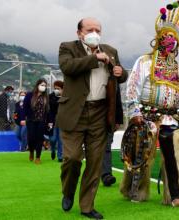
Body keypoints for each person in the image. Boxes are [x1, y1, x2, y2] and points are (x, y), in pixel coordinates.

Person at [123, 1, 179, 208]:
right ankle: (135, 190)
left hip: (170, 117)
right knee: (142, 153)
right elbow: (132, 86)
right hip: (145, 115)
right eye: (166, 37)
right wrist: (134, 112)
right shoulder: (144, 61)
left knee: (174, 156)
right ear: (158, 39)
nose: (170, 41)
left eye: (174, 38)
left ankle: (176, 195)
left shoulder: (177, 68)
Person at [58, 17, 127, 219]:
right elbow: (68, 67)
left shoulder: (111, 50)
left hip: (100, 112)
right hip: (74, 113)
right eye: (90, 29)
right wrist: (95, 59)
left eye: (98, 29)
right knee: (71, 158)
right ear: (79, 32)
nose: (94, 33)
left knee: (95, 162)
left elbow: (121, 76)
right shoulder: (67, 47)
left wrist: (120, 72)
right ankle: (68, 190)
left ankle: (87, 206)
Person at [23, 79, 50, 164]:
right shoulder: (30, 95)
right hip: (31, 120)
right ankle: (31, 151)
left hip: (41, 120)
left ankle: (38, 157)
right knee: (31, 138)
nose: (43, 87)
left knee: (39, 138)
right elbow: (25, 106)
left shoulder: (46, 97)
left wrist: (48, 121)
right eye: (42, 85)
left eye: (45, 85)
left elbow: (47, 110)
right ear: (37, 85)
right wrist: (25, 117)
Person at [101, 85, 123, 187]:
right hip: (90, 117)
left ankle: (106, 175)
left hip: (108, 119)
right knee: (92, 149)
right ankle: (91, 173)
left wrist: (118, 119)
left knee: (107, 146)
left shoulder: (113, 76)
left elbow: (117, 99)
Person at [48, 80, 64, 162]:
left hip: (62, 120)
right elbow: (51, 106)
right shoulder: (51, 96)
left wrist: (61, 96)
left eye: (58, 88)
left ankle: (60, 156)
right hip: (52, 120)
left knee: (61, 139)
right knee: (53, 139)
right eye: (55, 88)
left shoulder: (65, 96)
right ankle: (53, 149)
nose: (56, 90)